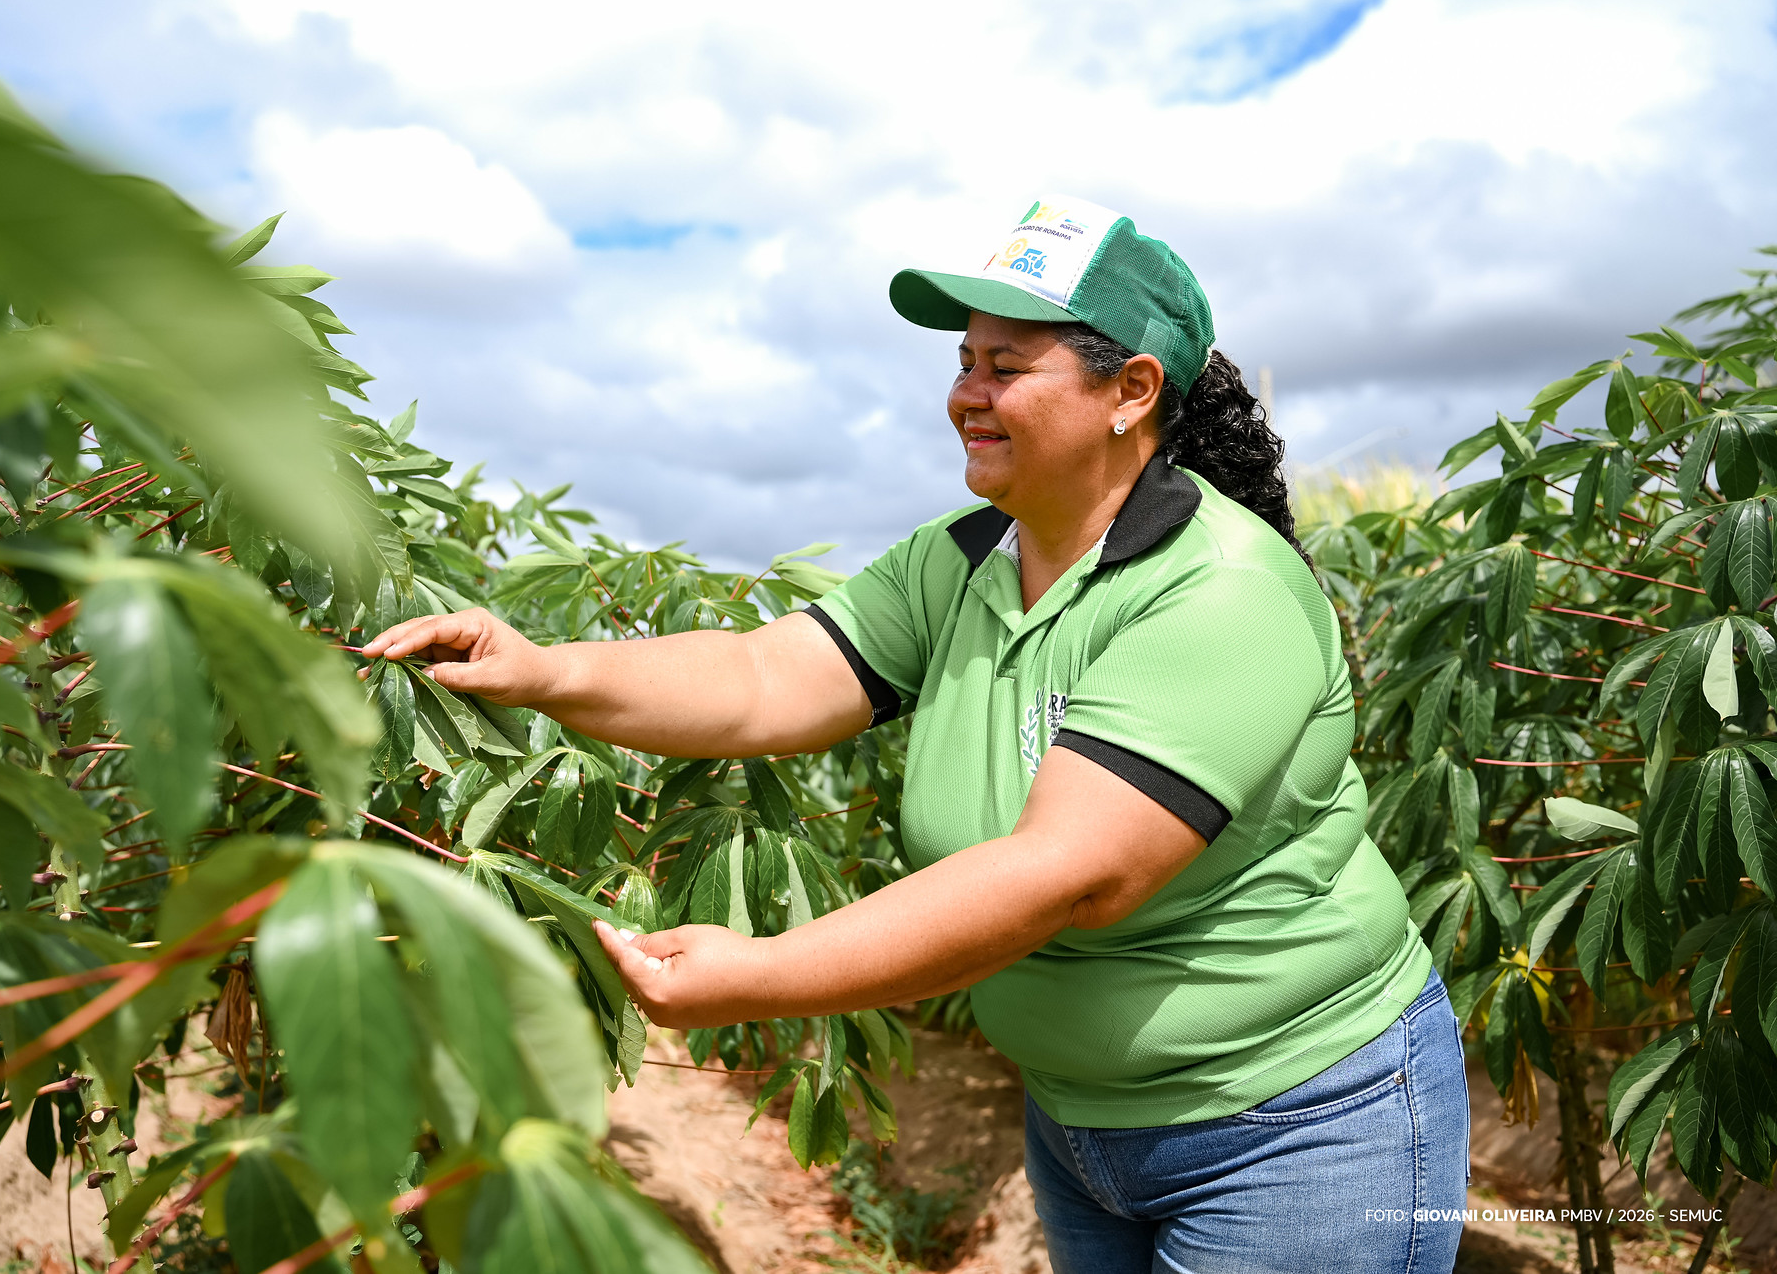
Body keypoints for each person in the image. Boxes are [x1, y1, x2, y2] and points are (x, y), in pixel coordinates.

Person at [362, 194, 1470, 1273]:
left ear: (1131, 390)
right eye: (963, 361)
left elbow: (1066, 875)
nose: (966, 395)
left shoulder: (1220, 590)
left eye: (1006, 367)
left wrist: (762, 974)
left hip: (1298, 1126)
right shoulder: (967, 556)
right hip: (1081, 1122)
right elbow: (765, 677)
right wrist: (545, 669)